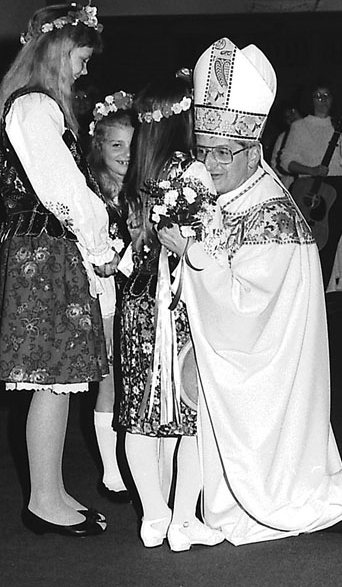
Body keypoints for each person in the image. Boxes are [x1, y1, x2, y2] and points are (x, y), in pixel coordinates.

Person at [157, 37, 342, 546]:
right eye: (205, 152)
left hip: (267, 372)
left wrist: (193, 254)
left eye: (225, 153)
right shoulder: (225, 193)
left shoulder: (271, 213)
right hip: (235, 360)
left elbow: (248, 313)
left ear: (253, 151)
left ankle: (215, 507)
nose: (212, 164)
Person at [0, 2, 119, 537]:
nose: (84, 70)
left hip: (47, 251)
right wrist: (99, 247)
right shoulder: (33, 108)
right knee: (53, 377)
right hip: (46, 253)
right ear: (54, 51)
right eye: (80, 58)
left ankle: (50, 491)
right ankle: (44, 500)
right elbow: (64, 192)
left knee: (58, 379)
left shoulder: (34, 106)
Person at [116, 75, 225, 551]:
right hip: (177, 305)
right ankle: (183, 519)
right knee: (194, 414)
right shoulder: (192, 174)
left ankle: (153, 515)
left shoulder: (133, 177)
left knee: (138, 411)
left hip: (136, 305)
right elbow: (207, 245)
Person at [88, 91, 134, 502]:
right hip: (105, 293)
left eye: (131, 145)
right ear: (100, 146)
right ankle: (110, 469)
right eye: (116, 145)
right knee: (110, 379)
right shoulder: (92, 193)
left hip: (136, 291)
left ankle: (136, 457)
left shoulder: (138, 190)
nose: (125, 154)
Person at [280, 80, 342, 288]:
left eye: (326, 95)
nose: (322, 101)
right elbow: (286, 160)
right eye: (317, 96)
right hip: (309, 189)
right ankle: (304, 290)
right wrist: (310, 170)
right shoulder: (299, 127)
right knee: (307, 245)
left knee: (330, 245)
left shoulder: (340, 128)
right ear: (310, 100)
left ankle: (323, 295)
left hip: (336, 189)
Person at [270, 100, 301, 189]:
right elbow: (275, 164)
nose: (291, 117)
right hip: (289, 184)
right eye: (287, 116)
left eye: (293, 112)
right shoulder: (283, 137)